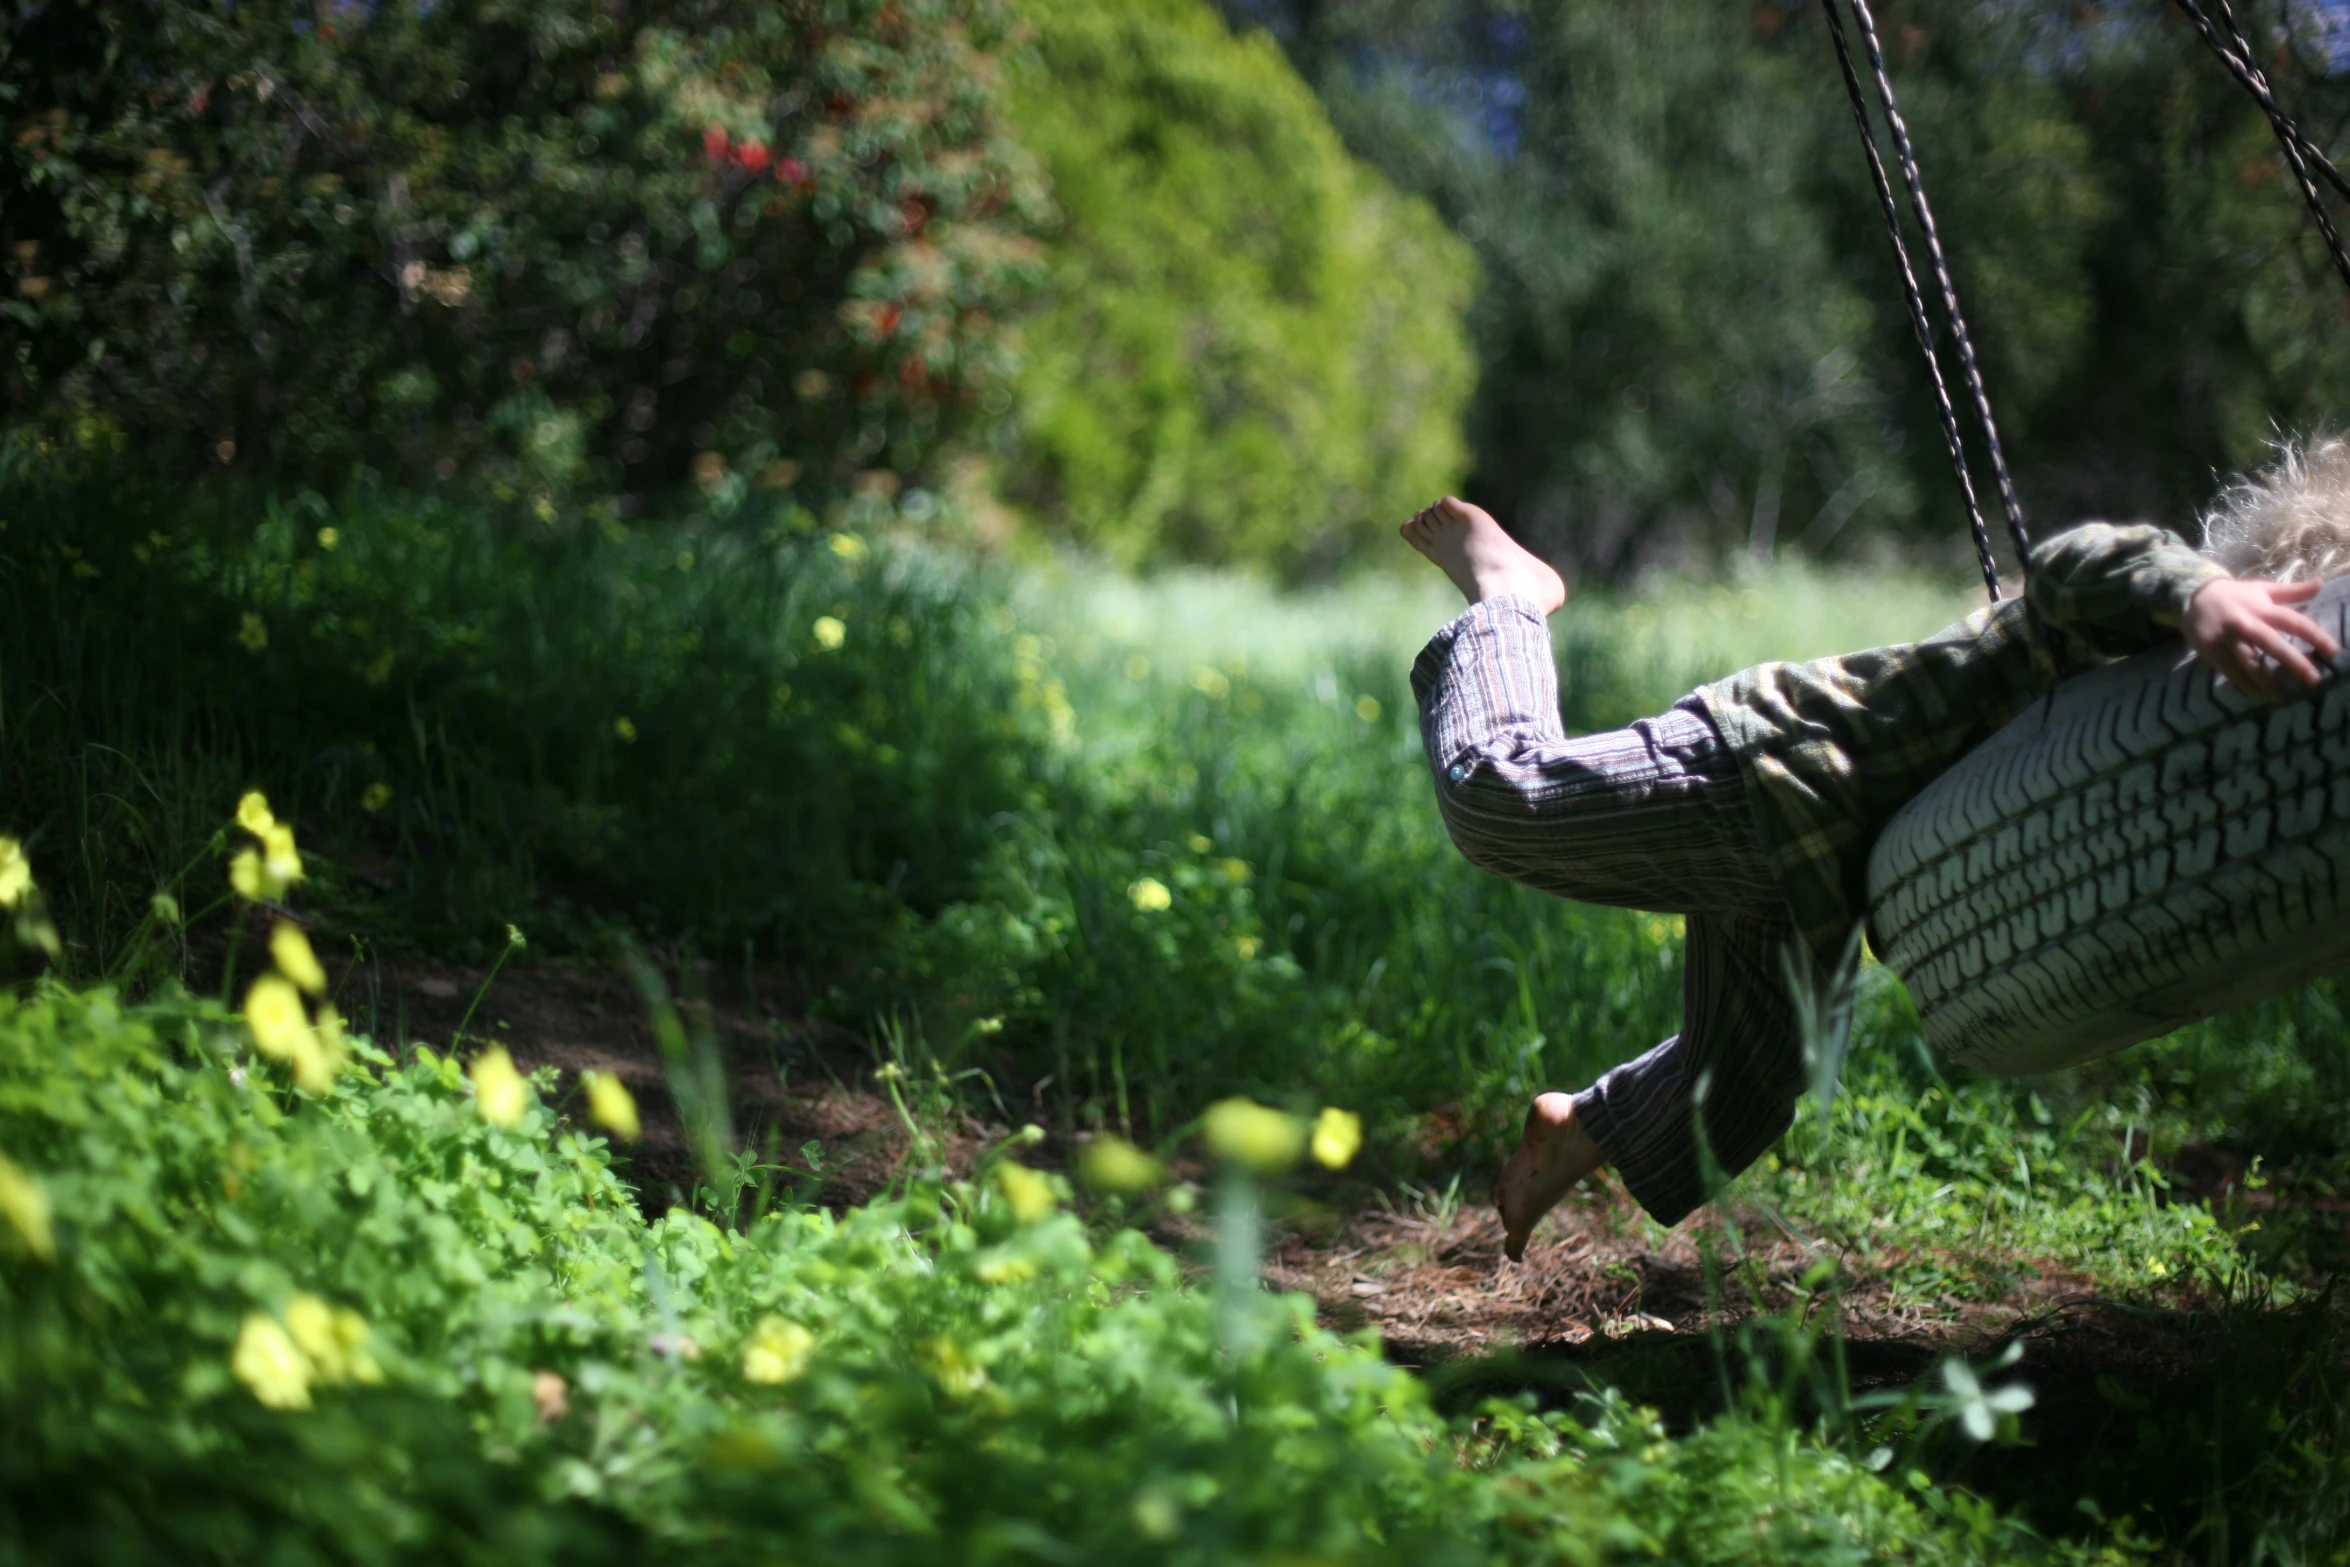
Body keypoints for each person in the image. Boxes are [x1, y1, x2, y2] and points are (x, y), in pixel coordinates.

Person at [1400, 478, 2344, 1262]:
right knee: (1503, 798)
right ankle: (1508, 592)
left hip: (1818, 880)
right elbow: (2079, 558)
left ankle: (1577, 1125)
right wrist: (2200, 594)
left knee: (1748, 1087)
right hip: (1780, 763)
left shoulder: (2183, 746)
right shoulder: (2129, 631)